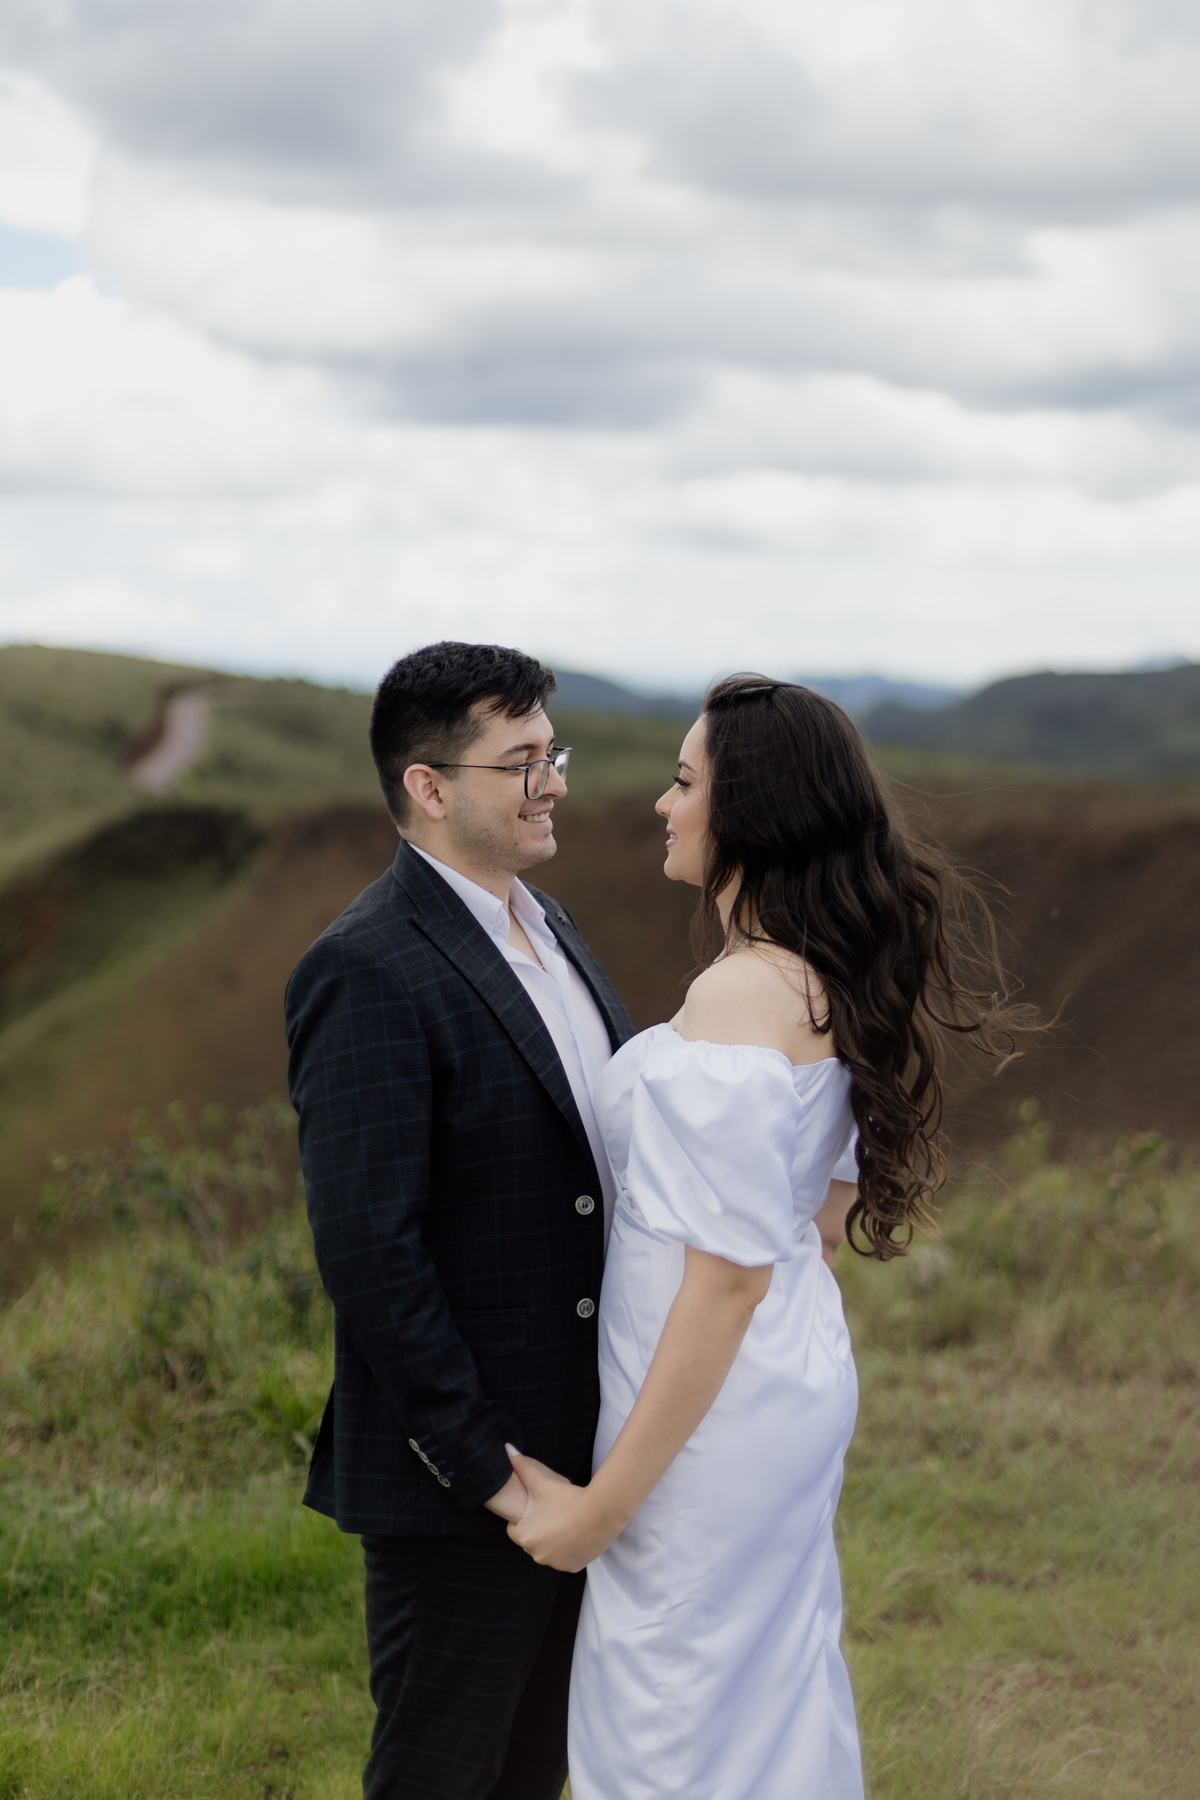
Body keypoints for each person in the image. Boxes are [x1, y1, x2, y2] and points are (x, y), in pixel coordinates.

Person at [505, 674, 1024, 1800]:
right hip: (782, 1380)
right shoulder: (823, 976)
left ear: (753, 813)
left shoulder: (742, 996)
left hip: (709, 1416)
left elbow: (731, 1278)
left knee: (669, 1720)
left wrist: (601, 1509)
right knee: (764, 1692)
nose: (663, 804)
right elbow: (816, 1226)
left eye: (684, 782)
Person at [285, 641, 632, 1800]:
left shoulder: (551, 925)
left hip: (583, 1457)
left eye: (555, 753)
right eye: (521, 761)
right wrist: (491, 1472)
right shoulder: (365, 966)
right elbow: (370, 1252)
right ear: (429, 787)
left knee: (536, 1773)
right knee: (439, 1775)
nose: (553, 783)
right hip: (466, 1485)